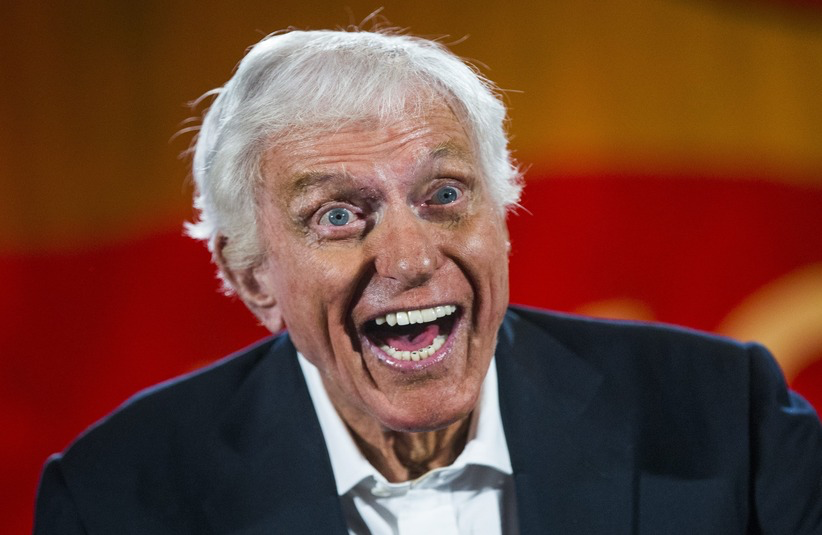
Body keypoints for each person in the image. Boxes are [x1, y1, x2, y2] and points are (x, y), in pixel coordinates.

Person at [34, 29, 821, 535]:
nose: (410, 259)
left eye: (444, 194)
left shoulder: (726, 413)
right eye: (338, 215)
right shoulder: (115, 498)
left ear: (501, 217)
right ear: (253, 278)